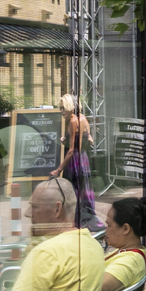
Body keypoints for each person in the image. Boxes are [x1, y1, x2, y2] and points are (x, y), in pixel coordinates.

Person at [53, 94, 99, 229]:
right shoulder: (83, 119)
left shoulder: (73, 121)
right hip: (83, 160)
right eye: (60, 108)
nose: (61, 111)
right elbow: (90, 140)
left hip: (75, 162)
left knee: (73, 192)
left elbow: (72, 150)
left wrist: (58, 169)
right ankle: (86, 221)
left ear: (70, 108)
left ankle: (78, 223)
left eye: (63, 108)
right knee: (83, 191)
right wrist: (67, 140)